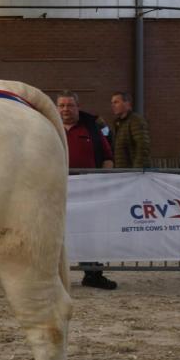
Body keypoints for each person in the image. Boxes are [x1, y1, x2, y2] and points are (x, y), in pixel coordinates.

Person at [56, 91, 118, 290]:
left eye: (70, 105)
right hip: (56, 191)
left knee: (90, 233)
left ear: (78, 106)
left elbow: (108, 158)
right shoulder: (48, 128)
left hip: (88, 193)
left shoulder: (92, 129)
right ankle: (54, 277)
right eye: (62, 105)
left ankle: (92, 273)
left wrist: (103, 181)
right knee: (55, 233)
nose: (66, 109)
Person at [110, 91, 152, 169]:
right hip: (122, 172)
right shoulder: (118, 123)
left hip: (133, 173)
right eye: (112, 103)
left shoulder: (136, 120)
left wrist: (136, 170)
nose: (113, 105)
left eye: (116, 102)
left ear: (127, 103)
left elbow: (143, 146)